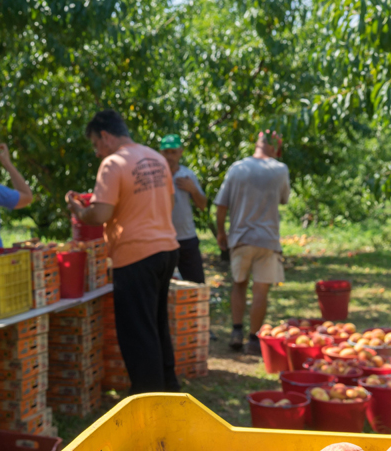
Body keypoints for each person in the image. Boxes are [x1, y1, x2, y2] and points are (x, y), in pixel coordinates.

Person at [66, 110, 181, 394]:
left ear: (106, 136)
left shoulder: (113, 164)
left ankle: (147, 396)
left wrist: (78, 210)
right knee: (156, 324)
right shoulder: (155, 157)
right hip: (166, 249)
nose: (96, 152)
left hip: (135, 255)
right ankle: (169, 388)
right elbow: (170, 203)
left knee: (138, 332)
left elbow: (100, 214)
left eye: (96, 144)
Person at [214, 130, 290, 356]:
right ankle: (254, 339)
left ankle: (236, 331)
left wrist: (221, 232)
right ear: (275, 147)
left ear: (257, 143)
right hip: (267, 239)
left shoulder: (237, 168)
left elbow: (221, 204)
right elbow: (284, 199)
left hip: (241, 237)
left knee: (239, 284)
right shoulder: (280, 169)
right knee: (261, 290)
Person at [160, 134, 207, 283]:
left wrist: (193, 189)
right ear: (160, 153)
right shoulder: (155, 176)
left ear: (180, 152)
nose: (170, 156)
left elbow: (203, 205)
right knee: (162, 285)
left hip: (186, 238)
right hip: (162, 239)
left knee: (196, 284)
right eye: (166, 152)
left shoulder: (187, 175)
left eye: (173, 152)